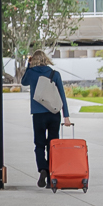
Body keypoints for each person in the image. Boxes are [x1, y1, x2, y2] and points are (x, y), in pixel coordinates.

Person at [20, 49, 72, 189]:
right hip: (54, 114)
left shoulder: (31, 73)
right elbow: (62, 95)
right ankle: (51, 178)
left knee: (39, 144)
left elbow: (23, 82)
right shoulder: (54, 74)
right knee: (53, 146)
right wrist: (66, 116)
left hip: (38, 114)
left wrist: (28, 66)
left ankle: (43, 169)